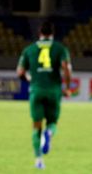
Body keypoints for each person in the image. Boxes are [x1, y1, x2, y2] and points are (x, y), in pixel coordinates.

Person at [17, 21, 73, 170]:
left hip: (36, 90)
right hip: (54, 90)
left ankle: (39, 160)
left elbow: (20, 73)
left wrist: (30, 80)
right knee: (52, 122)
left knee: (36, 127)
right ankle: (49, 132)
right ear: (52, 33)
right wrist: (67, 88)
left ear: (39, 33)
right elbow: (66, 69)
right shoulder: (60, 49)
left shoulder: (29, 50)